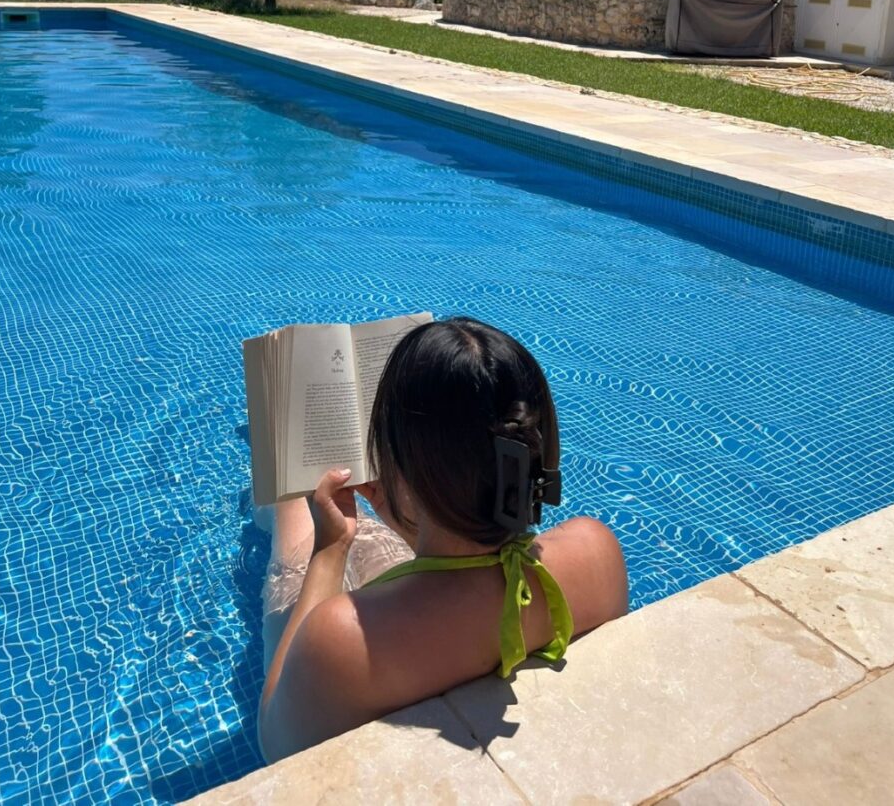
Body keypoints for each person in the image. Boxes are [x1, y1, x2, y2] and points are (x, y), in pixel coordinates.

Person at [257, 317, 628, 762]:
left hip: (380, 635)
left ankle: (265, 494)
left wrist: (331, 551)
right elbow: (471, 591)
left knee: (293, 506)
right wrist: (411, 516)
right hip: (429, 597)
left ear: (398, 468)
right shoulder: (596, 550)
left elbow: (276, 742)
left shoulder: (333, 639)